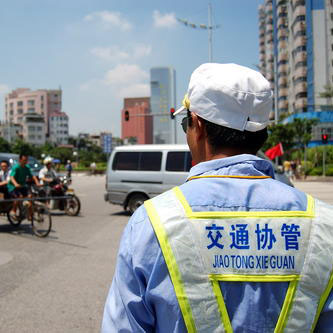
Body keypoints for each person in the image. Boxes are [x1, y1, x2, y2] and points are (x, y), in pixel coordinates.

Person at [102, 63, 333, 332]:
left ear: (197, 125)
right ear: (261, 132)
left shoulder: (152, 222)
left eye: (185, 123)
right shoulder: (325, 225)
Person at [7, 154, 40, 218]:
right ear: (20, 160)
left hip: (22, 186)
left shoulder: (27, 167)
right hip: (13, 187)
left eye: (26, 160)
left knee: (30, 196)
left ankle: (30, 215)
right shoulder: (16, 167)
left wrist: (37, 182)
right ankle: (13, 210)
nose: (26, 161)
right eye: (24, 160)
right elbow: (11, 177)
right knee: (19, 196)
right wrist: (15, 184)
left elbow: (32, 176)